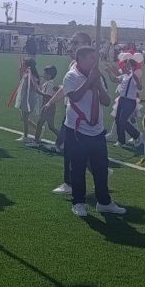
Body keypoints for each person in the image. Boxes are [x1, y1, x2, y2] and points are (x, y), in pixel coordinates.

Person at [64, 46, 126, 218]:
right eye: (92, 58)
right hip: (77, 129)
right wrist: (89, 81)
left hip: (97, 130)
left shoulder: (97, 76)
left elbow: (106, 101)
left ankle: (104, 202)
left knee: (101, 168)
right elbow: (74, 97)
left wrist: (98, 84)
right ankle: (78, 202)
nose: (95, 61)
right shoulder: (71, 76)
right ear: (81, 59)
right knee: (78, 167)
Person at [44, 31, 92, 197]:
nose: (71, 46)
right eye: (72, 42)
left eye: (76, 43)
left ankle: (71, 183)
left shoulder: (88, 68)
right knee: (72, 148)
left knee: (71, 148)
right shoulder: (73, 64)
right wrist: (51, 102)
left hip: (81, 115)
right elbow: (66, 88)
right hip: (71, 112)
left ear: (86, 45)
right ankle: (98, 171)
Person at [113, 54, 143, 147]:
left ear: (133, 67)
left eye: (128, 65)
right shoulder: (126, 75)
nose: (126, 66)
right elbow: (114, 79)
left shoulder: (134, 76)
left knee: (122, 120)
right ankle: (121, 141)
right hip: (122, 99)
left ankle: (136, 135)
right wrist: (109, 70)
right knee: (118, 120)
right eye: (126, 64)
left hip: (129, 101)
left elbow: (140, 87)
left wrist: (137, 81)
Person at [33, 65, 60, 149]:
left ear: (49, 75)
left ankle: (36, 141)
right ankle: (63, 138)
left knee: (39, 124)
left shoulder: (49, 84)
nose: (43, 74)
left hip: (48, 107)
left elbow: (48, 96)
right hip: (50, 107)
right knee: (51, 127)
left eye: (45, 73)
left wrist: (38, 92)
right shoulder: (48, 83)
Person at [15, 58, 40, 146]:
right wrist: (21, 73)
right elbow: (21, 83)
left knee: (25, 118)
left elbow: (34, 87)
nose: (22, 65)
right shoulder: (27, 75)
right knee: (23, 118)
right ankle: (38, 128)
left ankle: (25, 136)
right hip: (25, 99)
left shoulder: (31, 76)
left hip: (28, 100)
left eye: (24, 64)